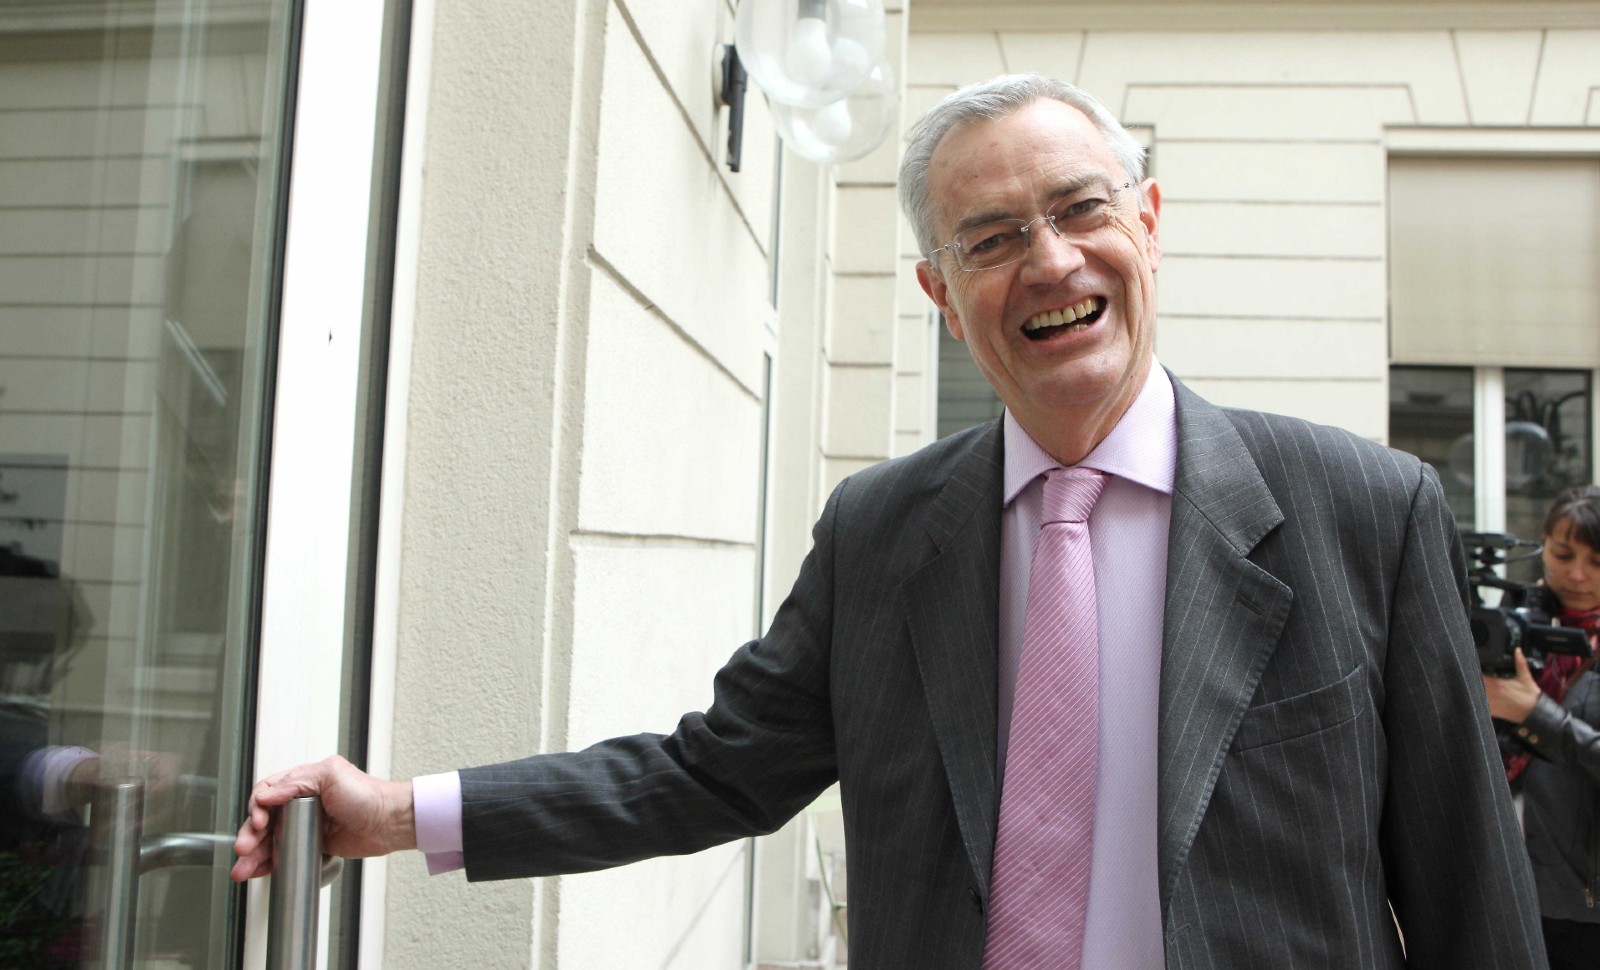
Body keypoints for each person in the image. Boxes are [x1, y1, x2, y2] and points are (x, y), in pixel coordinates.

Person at [234, 74, 1543, 967]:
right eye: (990, 236)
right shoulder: (884, 532)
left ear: (1148, 222)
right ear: (939, 288)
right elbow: (712, 771)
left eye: (1083, 208)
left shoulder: (1362, 509)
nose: (1049, 260)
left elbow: (1471, 892)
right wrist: (396, 812)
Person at [1483, 485, 1600, 970]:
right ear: (1543, 545)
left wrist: (1534, 712)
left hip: (1583, 900)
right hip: (1504, 878)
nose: (1575, 574)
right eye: (1563, 553)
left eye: (1596, 561)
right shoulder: (1506, 628)